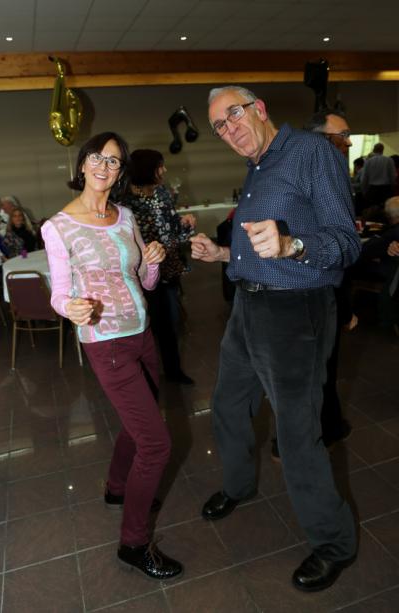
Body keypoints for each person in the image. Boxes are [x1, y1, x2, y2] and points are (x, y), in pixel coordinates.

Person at [190, 86, 361, 592]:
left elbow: (346, 242)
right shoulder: (258, 166)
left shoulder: (310, 152)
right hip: (248, 307)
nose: (229, 129)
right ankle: (240, 485)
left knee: (296, 432)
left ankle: (335, 543)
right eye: (219, 126)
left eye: (233, 115)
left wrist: (294, 244)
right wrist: (223, 255)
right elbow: (256, 246)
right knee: (228, 404)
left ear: (259, 109)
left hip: (295, 311)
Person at [41, 131, 183, 580]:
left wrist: (153, 259)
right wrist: (71, 308)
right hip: (107, 343)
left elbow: (145, 280)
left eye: (114, 161)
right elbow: (59, 293)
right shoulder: (58, 226)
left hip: (143, 334)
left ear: (121, 171)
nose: (105, 167)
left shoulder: (126, 217)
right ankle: (133, 544)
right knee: (156, 444)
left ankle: (118, 488)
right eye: (97, 158)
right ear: (82, 163)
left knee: (139, 421)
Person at [270, 110, 355, 462]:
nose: (347, 143)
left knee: (317, 370)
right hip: (310, 291)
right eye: (341, 136)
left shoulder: (317, 171)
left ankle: (327, 428)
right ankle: (298, 443)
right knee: (310, 372)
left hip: (312, 289)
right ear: (319, 140)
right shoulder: (309, 172)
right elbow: (330, 250)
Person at [124, 148, 196, 385]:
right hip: (143, 274)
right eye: (160, 165)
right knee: (145, 328)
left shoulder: (162, 192)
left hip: (169, 269)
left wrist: (185, 224)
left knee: (169, 324)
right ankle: (144, 376)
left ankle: (173, 371)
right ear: (146, 169)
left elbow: (172, 227)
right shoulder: (125, 202)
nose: (164, 169)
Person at [361, 143, 396, 207]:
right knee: (385, 209)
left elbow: (364, 178)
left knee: (373, 209)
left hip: (372, 189)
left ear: (374, 150)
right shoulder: (389, 160)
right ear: (383, 150)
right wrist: (392, 188)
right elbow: (392, 176)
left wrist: (364, 191)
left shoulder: (369, 161)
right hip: (386, 189)